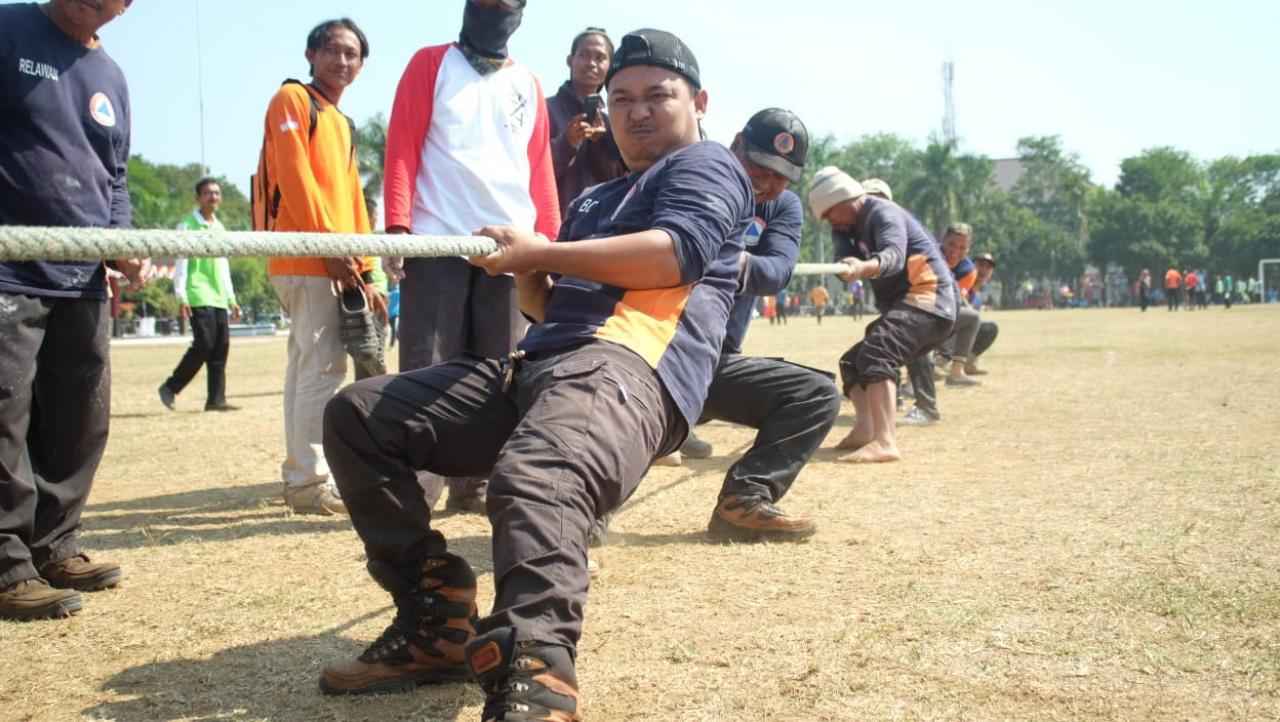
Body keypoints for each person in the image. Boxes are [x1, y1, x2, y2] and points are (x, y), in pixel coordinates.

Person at [317, 29, 752, 718]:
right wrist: (529, 271)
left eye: (656, 97)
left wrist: (543, 247)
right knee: (359, 417)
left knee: (534, 475)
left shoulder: (705, 167)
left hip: (629, 368)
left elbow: (674, 257)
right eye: (621, 99)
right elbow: (548, 307)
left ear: (698, 101)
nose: (637, 112)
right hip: (538, 364)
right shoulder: (593, 201)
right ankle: (436, 618)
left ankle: (538, 675)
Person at [383, 0, 559, 513]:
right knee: (426, 365)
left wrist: (549, 241)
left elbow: (538, 168)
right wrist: (398, 225)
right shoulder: (430, 63)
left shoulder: (528, 82)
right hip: (439, 238)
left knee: (500, 369)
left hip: (509, 246)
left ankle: (478, 482)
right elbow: (402, 146)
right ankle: (418, 483)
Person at [0, 0, 144, 621]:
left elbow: (114, 176)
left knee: (79, 417)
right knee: (5, 412)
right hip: (9, 265)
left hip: (82, 277)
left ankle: (54, 543)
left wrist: (124, 243)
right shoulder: (7, 27)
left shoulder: (110, 76)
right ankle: (6, 564)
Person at [255, 18, 379, 516]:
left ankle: (300, 474)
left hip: (331, 260)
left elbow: (352, 201)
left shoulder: (339, 120)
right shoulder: (293, 101)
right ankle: (307, 481)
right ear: (311, 54)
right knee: (322, 366)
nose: (342, 61)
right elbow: (296, 178)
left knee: (307, 365)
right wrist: (328, 249)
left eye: (352, 54)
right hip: (306, 258)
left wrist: (365, 270)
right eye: (333, 50)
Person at [809, 167, 956, 463]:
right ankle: (866, 430)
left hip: (929, 298)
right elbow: (843, 260)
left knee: (878, 351)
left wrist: (862, 268)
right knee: (852, 362)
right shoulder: (844, 229)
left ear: (844, 197)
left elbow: (893, 256)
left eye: (829, 213)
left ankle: (886, 441)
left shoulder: (882, 213)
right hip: (906, 305)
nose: (829, 221)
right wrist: (845, 267)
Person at [158, 178, 241, 412]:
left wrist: (231, 298)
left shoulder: (219, 228)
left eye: (216, 193)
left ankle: (216, 399)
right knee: (204, 344)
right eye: (207, 193)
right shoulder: (187, 226)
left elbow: (223, 266)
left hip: (218, 296)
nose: (213, 197)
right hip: (197, 293)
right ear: (198, 197)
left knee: (220, 346)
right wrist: (180, 295)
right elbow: (181, 264)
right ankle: (170, 387)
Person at [547, 27, 627, 216]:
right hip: (553, 227)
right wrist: (568, 142)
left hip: (600, 231)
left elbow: (620, 183)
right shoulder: (544, 109)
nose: (591, 63)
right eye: (584, 55)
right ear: (570, 61)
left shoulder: (613, 123)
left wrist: (599, 144)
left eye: (600, 58)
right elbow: (531, 169)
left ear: (610, 66)